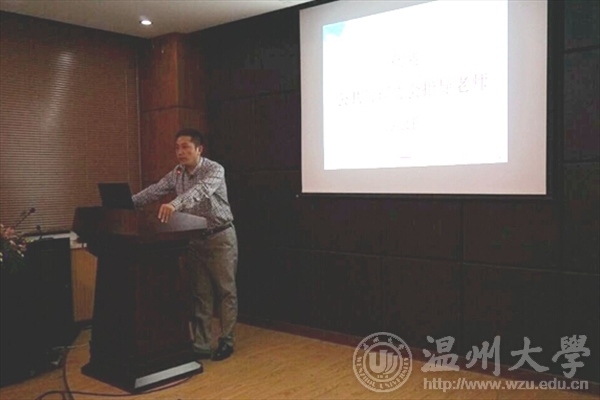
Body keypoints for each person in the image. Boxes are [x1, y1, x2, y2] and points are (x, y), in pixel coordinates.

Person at [132, 128, 238, 362]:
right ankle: (201, 344)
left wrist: (175, 204)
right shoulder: (177, 172)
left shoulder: (214, 169)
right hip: (194, 239)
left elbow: (201, 191)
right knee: (200, 293)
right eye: (177, 148)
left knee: (225, 291)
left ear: (199, 149)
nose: (180, 152)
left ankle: (227, 340)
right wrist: (128, 202)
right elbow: (156, 189)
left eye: (185, 147)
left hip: (220, 237)